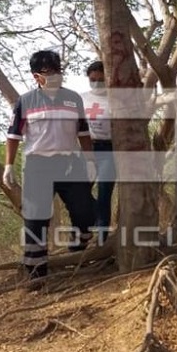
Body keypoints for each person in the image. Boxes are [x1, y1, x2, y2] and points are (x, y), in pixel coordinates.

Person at [2, 50, 97, 283]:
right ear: (36, 76)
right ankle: (36, 275)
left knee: (86, 211)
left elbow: (83, 133)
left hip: (70, 164)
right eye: (48, 72)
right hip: (38, 166)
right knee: (36, 219)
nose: (55, 76)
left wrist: (90, 161)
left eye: (57, 71)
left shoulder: (73, 99)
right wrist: (9, 166)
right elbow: (13, 136)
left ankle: (77, 254)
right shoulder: (26, 101)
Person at [81, 61, 115, 242]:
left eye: (101, 80)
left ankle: (102, 239)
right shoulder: (82, 99)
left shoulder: (115, 100)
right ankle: (94, 220)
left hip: (109, 150)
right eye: (92, 80)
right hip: (87, 148)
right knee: (78, 190)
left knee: (104, 193)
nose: (96, 83)